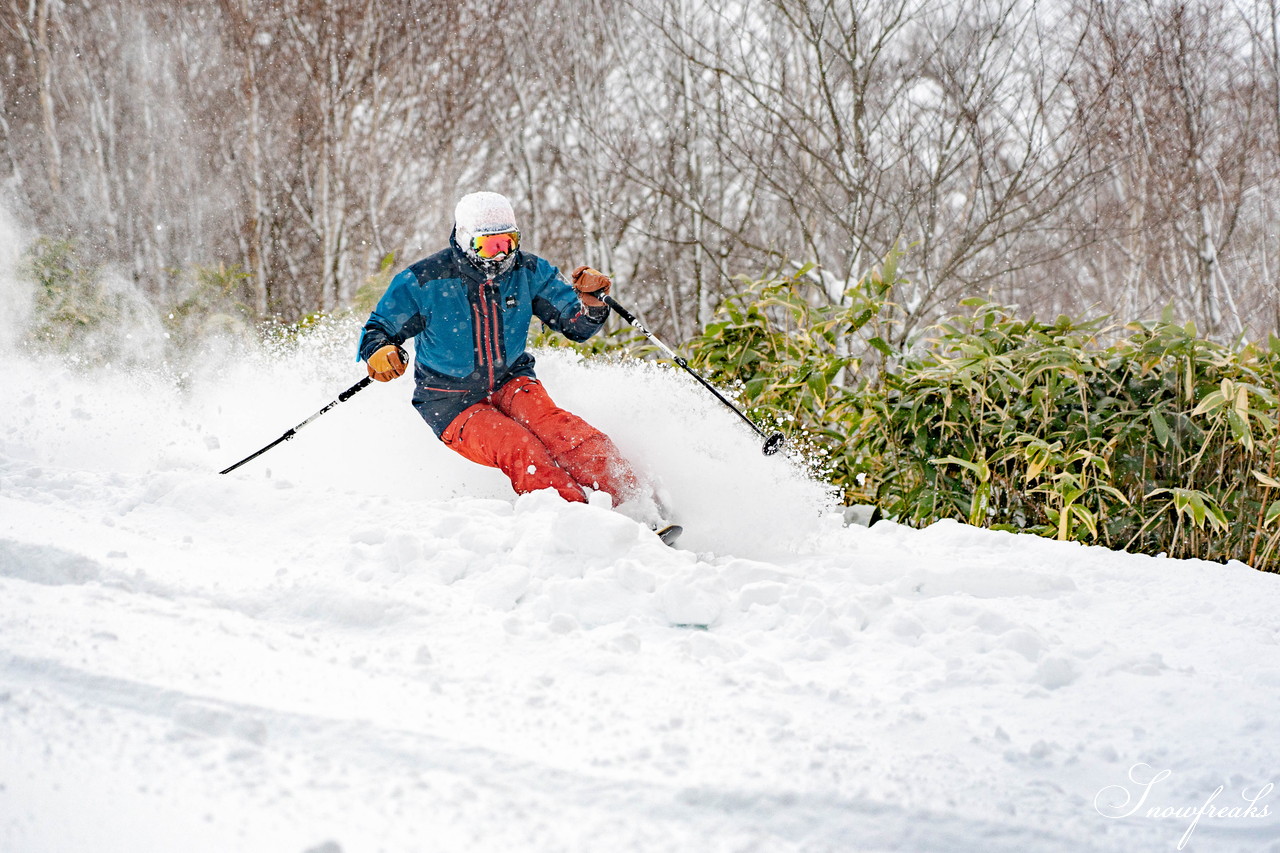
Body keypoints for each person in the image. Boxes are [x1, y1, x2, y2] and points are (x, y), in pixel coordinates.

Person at [358, 191, 661, 522]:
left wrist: (591, 303)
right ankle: (576, 521)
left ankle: (637, 504)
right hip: (449, 400)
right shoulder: (425, 280)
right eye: (489, 246)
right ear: (464, 240)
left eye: (508, 243)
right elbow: (378, 329)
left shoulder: (528, 271)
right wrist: (380, 351)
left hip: (511, 380)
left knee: (563, 432)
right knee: (518, 446)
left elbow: (575, 326)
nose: (501, 255)